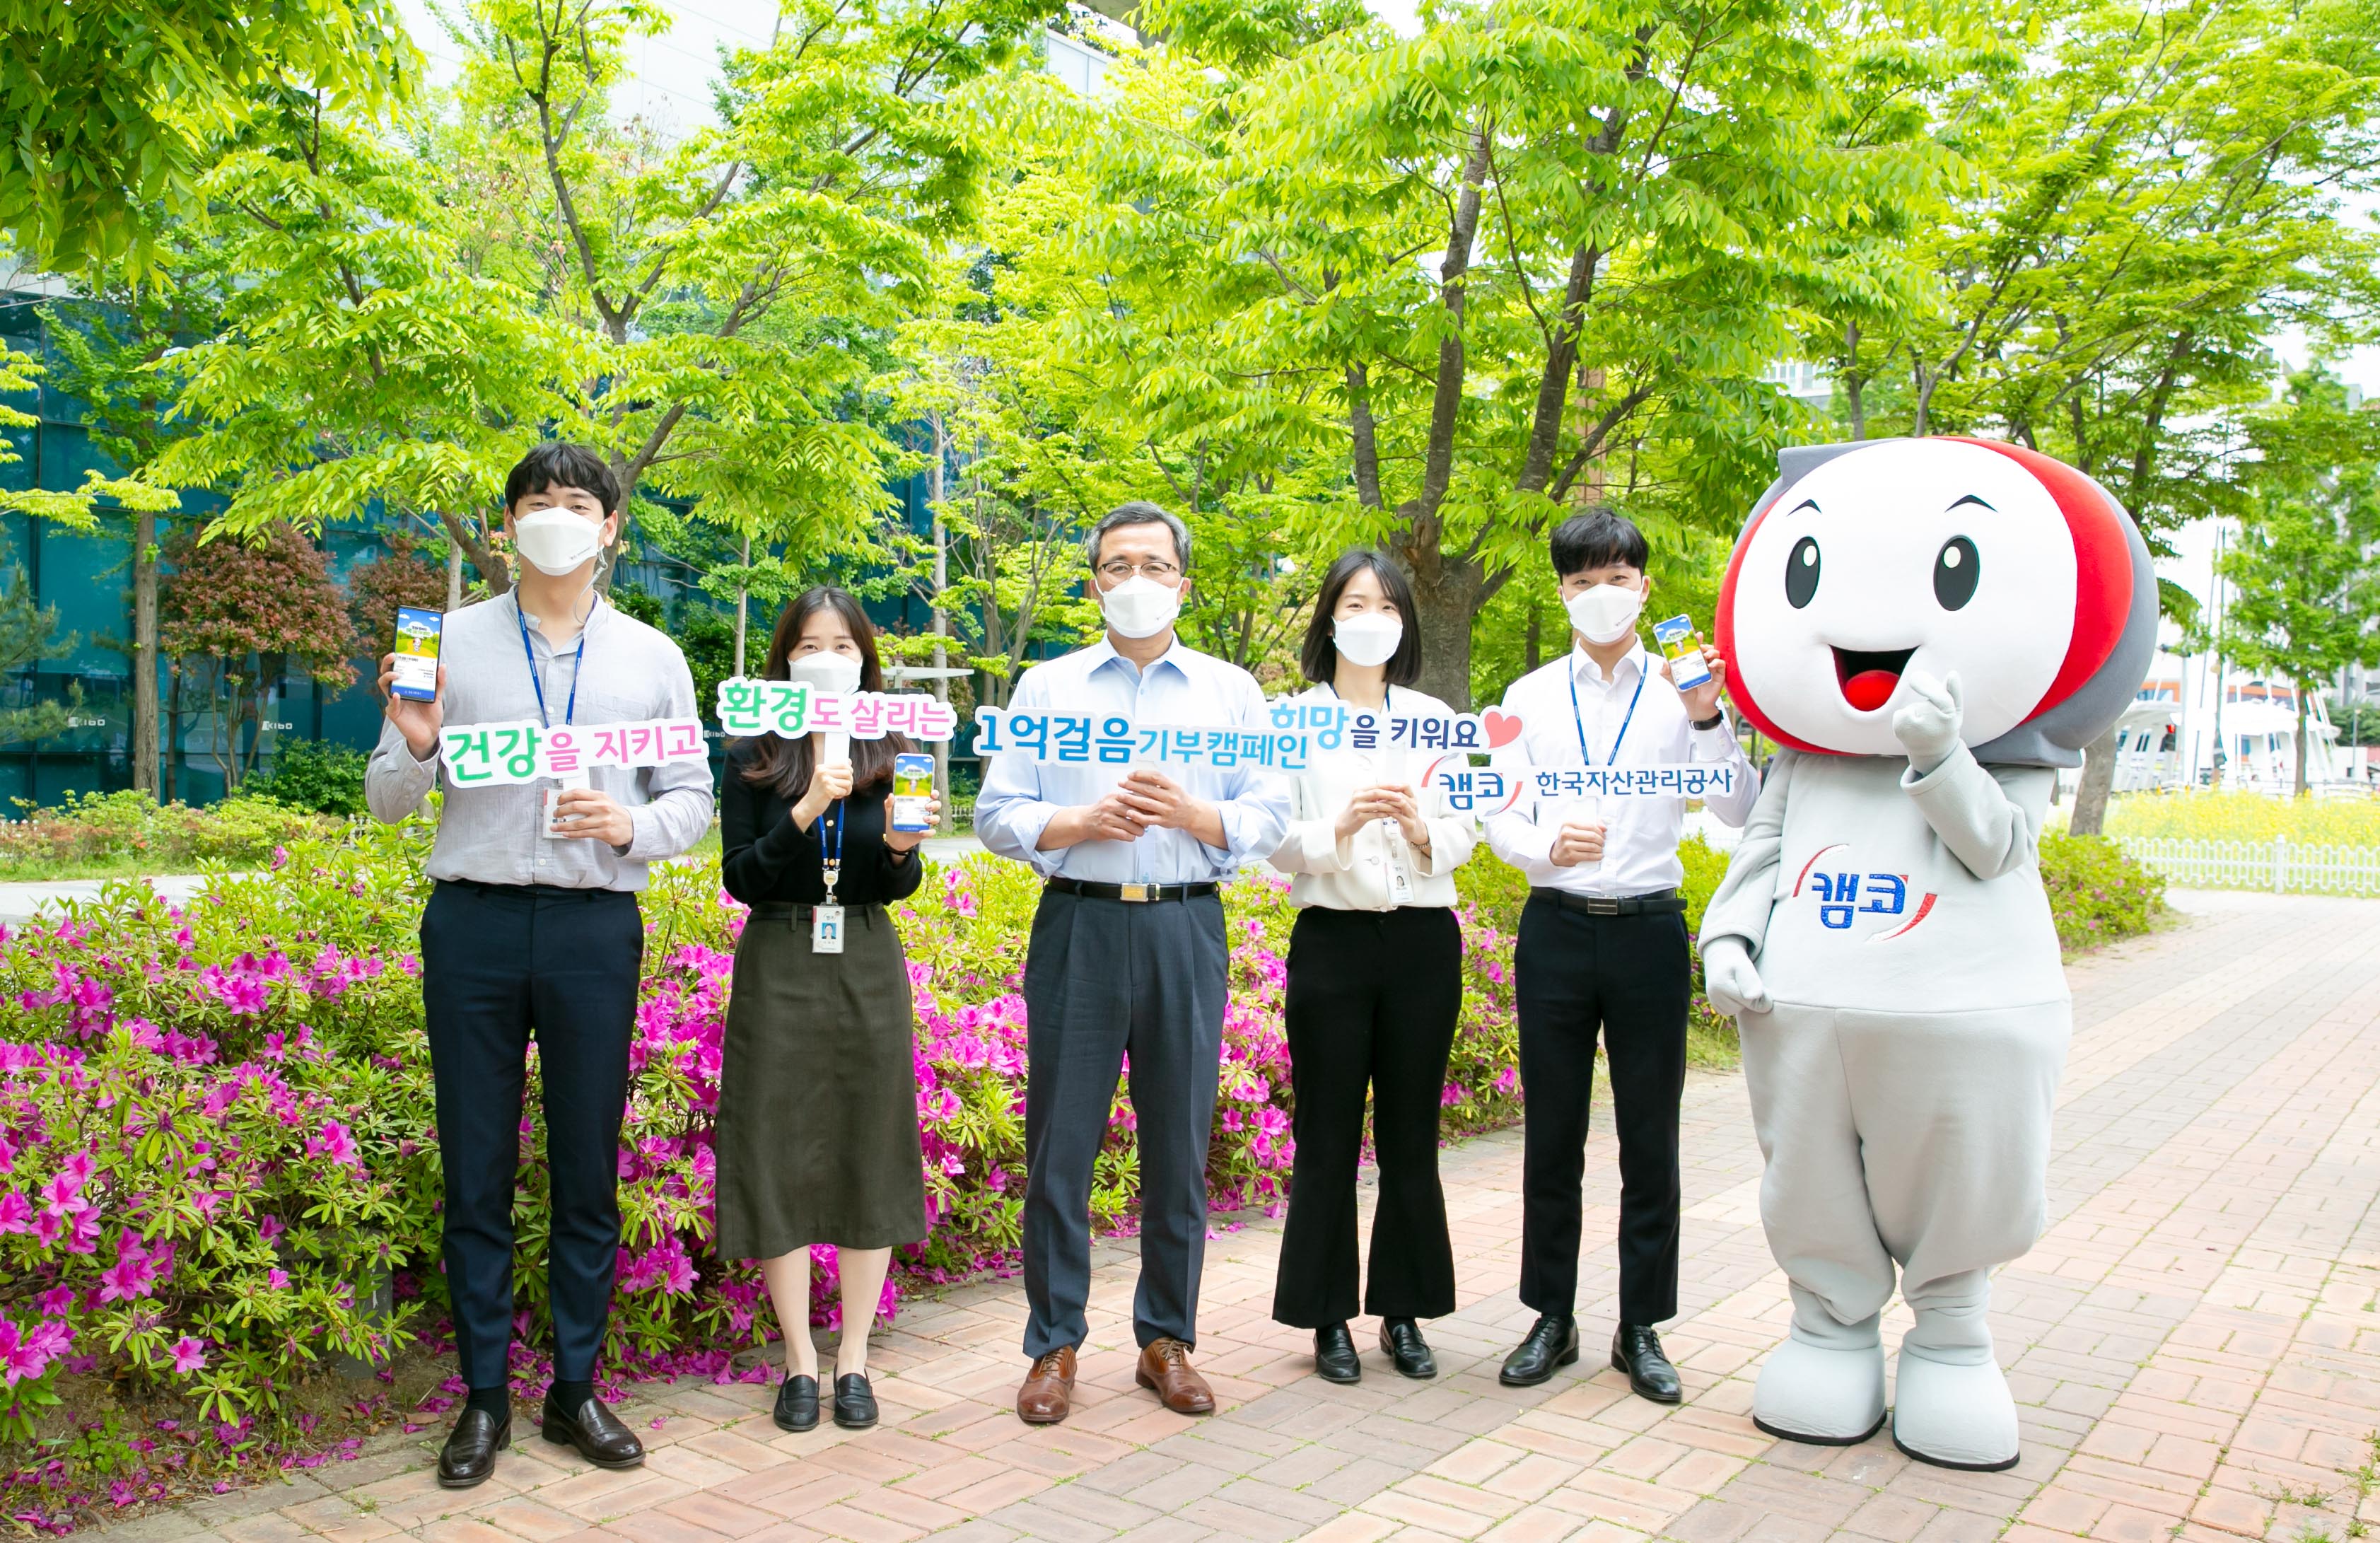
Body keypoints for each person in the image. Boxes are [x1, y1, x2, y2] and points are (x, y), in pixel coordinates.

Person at [365, 441, 713, 1489]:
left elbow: (691, 799)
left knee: (584, 1164)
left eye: (575, 503)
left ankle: (574, 1384)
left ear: (610, 527)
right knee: (475, 1166)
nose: (553, 518)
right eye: (534, 502)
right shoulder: (443, 641)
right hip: (469, 922)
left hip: (591, 929)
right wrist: (416, 741)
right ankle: (481, 1397)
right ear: (506, 523)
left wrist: (632, 825)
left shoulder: (651, 655)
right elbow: (387, 801)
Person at [974, 501, 1290, 1426]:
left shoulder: (1232, 691)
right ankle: (1053, 1343)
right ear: (1094, 582)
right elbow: (998, 811)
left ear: (1182, 583)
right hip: (1079, 923)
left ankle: (1165, 1338)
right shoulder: (1046, 687)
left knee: (1178, 1146)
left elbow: (1269, 808)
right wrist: (1077, 823)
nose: (1137, 580)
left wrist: (1196, 814)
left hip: (1185, 925)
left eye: (1155, 564)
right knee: (1059, 1147)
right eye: (1118, 565)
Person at [1483, 507, 1758, 1402]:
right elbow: (1501, 811)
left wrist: (1710, 716)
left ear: (1645, 586)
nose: (1600, 595)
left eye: (1616, 578)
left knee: (1651, 1132)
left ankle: (1641, 1325)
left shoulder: (1685, 691)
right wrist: (1538, 849)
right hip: (1556, 926)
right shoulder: (1526, 698)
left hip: (1648, 925)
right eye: (1581, 580)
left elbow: (1741, 812)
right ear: (1560, 591)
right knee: (1552, 1133)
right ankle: (1551, 1316)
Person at [713, 586, 938, 1436]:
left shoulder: (896, 745)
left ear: (866, 660)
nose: (827, 660)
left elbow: (894, 886)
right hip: (778, 949)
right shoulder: (753, 750)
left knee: (866, 1142)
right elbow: (741, 877)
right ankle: (799, 1357)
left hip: (869, 956)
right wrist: (805, 810)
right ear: (784, 659)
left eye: (843, 647)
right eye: (811, 645)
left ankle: (854, 1357)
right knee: (774, 1140)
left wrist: (902, 851)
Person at [1266, 550, 1478, 1384]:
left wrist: (1423, 828)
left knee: (1410, 1135)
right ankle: (1326, 1316)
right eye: (1354, 602)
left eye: (1386, 605)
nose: (1370, 617)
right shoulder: (1292, 720)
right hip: (1333, 942)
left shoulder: (1433, 717)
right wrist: (1343, 826)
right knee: (1326, 1136)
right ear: (1328, 618)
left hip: (1424, 945)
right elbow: (1274, 839)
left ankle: (1403, 1309)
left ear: (1404, 623)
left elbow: (1468, 829)